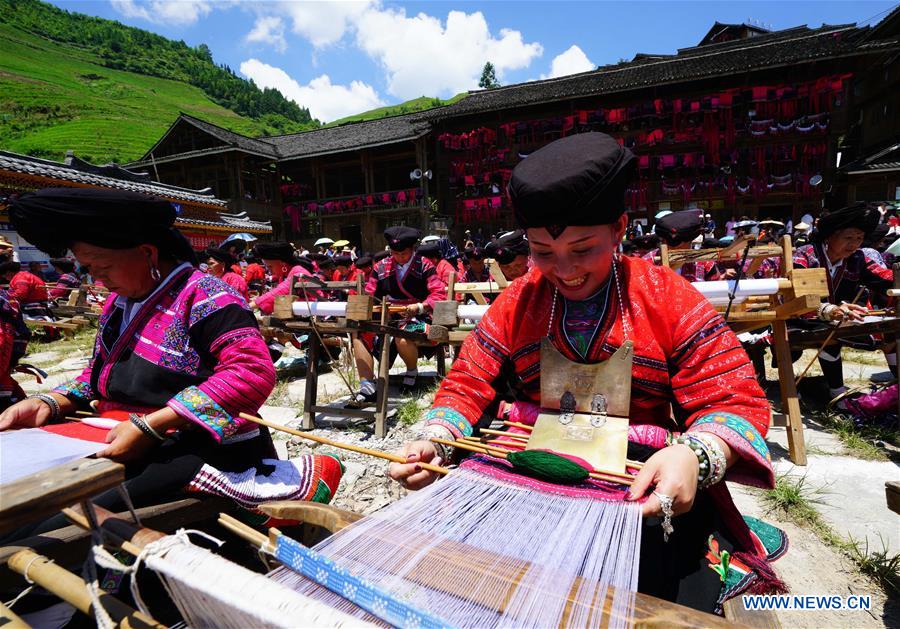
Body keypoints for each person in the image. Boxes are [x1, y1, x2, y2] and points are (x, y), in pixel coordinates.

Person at [389, 133, 782, 613]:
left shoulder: (666, 297)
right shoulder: (518, 302)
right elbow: (470, 380)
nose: (564, 269)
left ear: (619, 229)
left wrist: (696, 457)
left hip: (639, 471)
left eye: (582, 249)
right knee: (460, 575)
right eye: (542, 251)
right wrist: (436, 439)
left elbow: (732, 398)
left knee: (659, 598)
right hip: (529, 457)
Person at [0, 188, 342, 540]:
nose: (97, 280)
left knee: (46, 520)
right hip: (120, 433)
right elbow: (99, 372)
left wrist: (153, 425)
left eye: (101, 267)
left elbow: (251, 371)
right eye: (89, 270)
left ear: (147, 252)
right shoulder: (119, 304)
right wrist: (50, 402)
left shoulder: (208, 295)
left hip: (196, 444)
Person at [791, 203, 895, 404]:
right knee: (830, 338)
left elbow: (884, 278)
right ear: (830, 235)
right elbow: (799, 296)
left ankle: (897, 387)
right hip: (801, 319)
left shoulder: (857, 258)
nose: (854, 244)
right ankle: (837, 394)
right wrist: (831, 310)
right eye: (849, 238)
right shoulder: (805, 255)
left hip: (842, 318)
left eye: (859, 238)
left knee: (890, 333)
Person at [350, 227, 446, 402]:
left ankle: (411, 371)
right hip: (388, 315)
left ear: (413, 249)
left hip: (418, 315)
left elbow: (438, 294)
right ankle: (367, 385)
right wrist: (371, 306)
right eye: (395, 253)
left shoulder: (425, 264)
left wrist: (419, 306)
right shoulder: (380, 267)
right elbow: (370, 292)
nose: (399, 257)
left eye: (404, 253)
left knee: (402, 338)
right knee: (359, 334)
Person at [643, 210, 731, 281]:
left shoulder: (705, 263)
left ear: (690, 241)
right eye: (665, 242)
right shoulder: (646, 264)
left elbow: (715, 292)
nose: (671, 248)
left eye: (677, 243)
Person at [250, 242, 317, 315]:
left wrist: (250, 306)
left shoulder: (298, 271)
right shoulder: (285, 274)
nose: (270, 271)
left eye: (270, 266)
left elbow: (280, 292)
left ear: (282, 263)